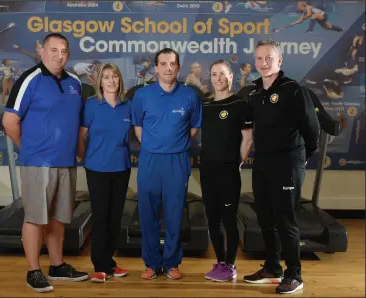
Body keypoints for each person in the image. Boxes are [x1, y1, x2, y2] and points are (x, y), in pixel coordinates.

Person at [2, 33, 88, 293]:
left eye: (64, 51)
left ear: (68, 55)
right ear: (42, 51)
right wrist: (29, 149)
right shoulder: (29, 79)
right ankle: (33, 271)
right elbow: (9, 122)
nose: (59, 55)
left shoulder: (74, 82)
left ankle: (57, 265)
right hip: (38, 162)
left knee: (58, 218)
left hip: (66, 162)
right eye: (53, 49)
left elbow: (77, 122)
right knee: (36, 217)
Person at [242, 39, 320, 294]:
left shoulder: (293, 89)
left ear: (280, 60)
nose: (263, 63)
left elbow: (312, 129)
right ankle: (272, 267)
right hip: (263, 162)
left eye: (268, 58)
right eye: (259, 58)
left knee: (285, 219)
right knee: (265, 218)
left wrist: (301, 158)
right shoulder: (254, 92)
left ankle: (294, 274)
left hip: (288, 163)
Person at [131, 48, 202, 280]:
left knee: (174, 214)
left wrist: (174, 145)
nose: (168, 68)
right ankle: (151, 263)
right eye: (163, 64)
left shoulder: (190, 95)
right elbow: (138, 127)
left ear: (178, 67)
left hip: (177, 160)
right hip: (150, 159)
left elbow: (193, 129)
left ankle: (172, 263)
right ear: (156, 67)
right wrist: (154, 146)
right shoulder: (143, 95)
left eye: (172, 64)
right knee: (148, 213)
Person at [77, 63, 131, 283]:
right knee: (100, 217)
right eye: (106, 77)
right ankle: (99, 266)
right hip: (97, 168)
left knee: (115, 217)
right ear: (99, 81)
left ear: (120, 80)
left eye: (114, 77)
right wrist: (83, 158)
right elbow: (81, 136)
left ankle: (109, 262)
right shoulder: (91, 105)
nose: (110, 81)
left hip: (122, 168)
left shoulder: (128, 106)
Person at [200, 60, 253, 282]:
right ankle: (220, 261)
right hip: (207, 170)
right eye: (214, 74)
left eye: (222, 74)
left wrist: (238, 162)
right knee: (212, 218)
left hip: (228, 170)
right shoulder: (205, 105)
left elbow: (248, 138)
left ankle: (230, 264)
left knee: (228, 218)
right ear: (210, 78)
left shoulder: (240, 104)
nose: (218, 78)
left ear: (230, 77)